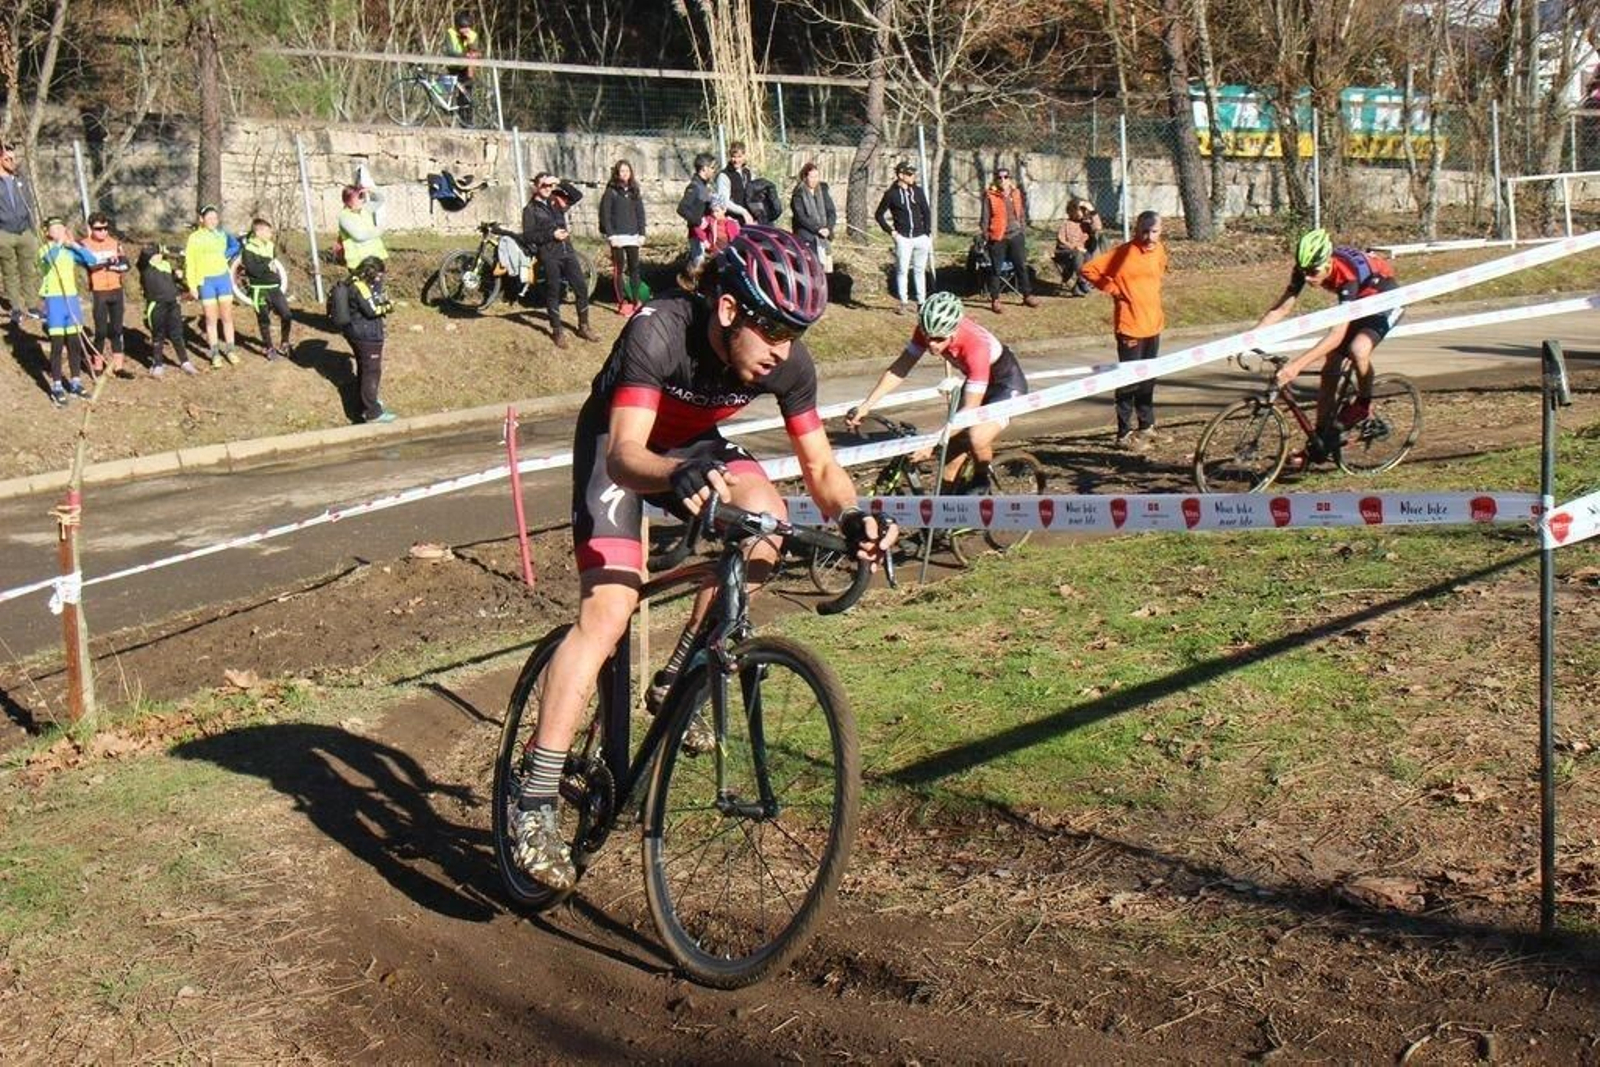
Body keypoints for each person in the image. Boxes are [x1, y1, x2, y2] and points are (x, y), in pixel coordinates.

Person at [508, 226, 894, 889]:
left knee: (769, 524)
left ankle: (687, 661)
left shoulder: (789, 363)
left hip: (694, 446)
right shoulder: (657, 330)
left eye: (795, 333)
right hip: (618, 447)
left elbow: (822, 466)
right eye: (772, 329)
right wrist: (672, 476)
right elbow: (628, 456)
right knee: (610, 609)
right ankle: (535, 802)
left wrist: (855, 515)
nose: (784, 351)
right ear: (727, 309)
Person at [846, 291, 1028, 492]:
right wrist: (866, 405)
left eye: (939, 339)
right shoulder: (928, 330)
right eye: (928, 337)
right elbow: (900, 368)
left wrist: (931, 443)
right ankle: (945, 512)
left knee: (976, 436)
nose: (932, 344)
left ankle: (981, 478)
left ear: (953, 332)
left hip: (1006, 385)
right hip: (978, 381)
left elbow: (970, 409)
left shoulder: (975, 346)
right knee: (948, 455)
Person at [1255, 228, 1401, 465]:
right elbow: (1282, 308)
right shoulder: (1305, 268)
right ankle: (1319, 442)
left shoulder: (1347, 277)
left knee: (1358, 349)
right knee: (1330, 370)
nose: (1309, 278)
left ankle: (1363, 404)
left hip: (1384, 298)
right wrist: (1249, 338)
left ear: (1327, 262)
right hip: (1359, 303)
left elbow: (1335, 335)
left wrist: (1296, 366)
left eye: (1314, 272)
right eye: (1304, 272)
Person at [1081, 210, 1170, 450]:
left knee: (1148, 378)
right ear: (1136, 229)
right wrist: (1114, 289)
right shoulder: (1123, 253)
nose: (1149, 237)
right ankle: (1123, 433)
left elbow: (1158, 274)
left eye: (1154, 231)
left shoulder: (1160, 250)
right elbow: (1089, 270)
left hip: (1153, 324)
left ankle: (1146, 425)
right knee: (1129, 380)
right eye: (1144, 231)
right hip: (1130, 327)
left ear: (1160, 231)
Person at [522, 171, 596, 349]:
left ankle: (583, 326)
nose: (547, 189)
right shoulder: (530, 209)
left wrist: (560, 182)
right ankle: (557, 331)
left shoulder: (556, 200)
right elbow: (528, 236)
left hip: (567, 251)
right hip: (549, 255)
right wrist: (551, 234)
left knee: (581, 288)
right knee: (553, 292)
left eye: (549, 185)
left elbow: (577, 196)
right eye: (543, 185)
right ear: (536, 187)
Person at [36, 217, 98, 405]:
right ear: (48, 233)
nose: (60, 230)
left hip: (71, 299)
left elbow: (91, 260)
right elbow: (49, 259)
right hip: (55, 300)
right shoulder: (45, 249)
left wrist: (75, 246)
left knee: (74, 343)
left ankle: (76, 382)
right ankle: (56, 386)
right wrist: (60, 242)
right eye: (55, 228)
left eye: (62, 227)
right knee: (57, 345)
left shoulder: (69, 251)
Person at [183, 205, 241, 368]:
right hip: (206, 281)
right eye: (209, 218)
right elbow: (190, 262)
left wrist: (226, 255)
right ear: (201, 220)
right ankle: (215, 352)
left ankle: (230, 350)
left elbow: (235, 246)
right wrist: (192, 286)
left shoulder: (222, 234)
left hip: (222, 279)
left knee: (227, 317)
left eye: (215, 218)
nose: (213, 221)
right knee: (210, 318)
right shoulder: (194, 238)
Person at [875, 160, 932, 316]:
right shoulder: (891, 194)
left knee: (920, 270)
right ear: (900, 175)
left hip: (921, 237)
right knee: (902, 270)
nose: (912, 176)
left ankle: (922, 302)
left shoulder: (918, 191)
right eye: (909, 174)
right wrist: (892, 232)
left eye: (913, 173)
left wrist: (927, 233)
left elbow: (926, 212)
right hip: (903, 238)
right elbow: (879, 215)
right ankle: (903, 302)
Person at [979, 166, 1039, 313]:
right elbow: (985, 218)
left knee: (1021, 267)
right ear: (995, 179)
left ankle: (1027, 295)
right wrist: (987, 236)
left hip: (1016, 235)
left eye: (1005, 177)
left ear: (1010, 178)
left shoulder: (1016, 193)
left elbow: (1021, 213)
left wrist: (1022, 230)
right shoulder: (990, 195)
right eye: (999, 177)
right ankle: (995, 300)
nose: (1003, 180)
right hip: (998, 237)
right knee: (996, 270)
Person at [346, 255, 395, 424]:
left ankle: (364, 404)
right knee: (372, 372)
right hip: (366, 335)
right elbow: (372, 310)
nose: (381, 278)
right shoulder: (361, 287)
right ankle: (373, 412)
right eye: (379, 274)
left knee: (364, 368)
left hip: (357, 332)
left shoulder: (354, 281)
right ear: (371, 272)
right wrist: (388, 306)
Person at [82, 212, 131, 376]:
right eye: (98, 229)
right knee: (101, 330)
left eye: (105, 228)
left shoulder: (114, 243)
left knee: (117, 329)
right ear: (91, 229)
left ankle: (119, 366)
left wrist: (113, 265)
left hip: (116, 289)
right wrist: (107, 263)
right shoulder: (85, 245)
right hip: (99, 291)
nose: (103, 232)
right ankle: (97, 365)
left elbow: (125, 264)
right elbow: (90, 265)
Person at [138, 244, 196, 377]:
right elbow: (145, 255)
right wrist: (164, 249)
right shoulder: (145, 266)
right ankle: (157, 364)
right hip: (156, 305)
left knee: (177, 333)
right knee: (158, 335)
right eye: (156, 254)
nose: (158, 256)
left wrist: (177, 276)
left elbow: (170, 280)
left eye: (159, 254)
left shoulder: (166, 265)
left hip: (173, 303)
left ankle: (185, 362)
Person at [599, 159, 647, 317]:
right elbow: (605, 215)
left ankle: (635, 300)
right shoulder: (610, 192)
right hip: (618, 236)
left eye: (627, 171)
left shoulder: (634, 191)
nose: (625, 174)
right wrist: (611, 235)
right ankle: (622, 303)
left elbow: (640, 213)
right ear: (617, 174)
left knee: (634, 269)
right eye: (622, 171)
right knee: (619, 270)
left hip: (633, 236)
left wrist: (642, 233)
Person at [240, 218, 293, 360]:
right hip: (259, 289)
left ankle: (285, 342)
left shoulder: (270, 246)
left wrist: (268, 267)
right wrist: (266, 263)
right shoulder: (248, 250)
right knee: (264, 319)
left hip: (274, 288)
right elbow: (253, 270)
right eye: (268, 231)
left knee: (287, 314)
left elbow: (272, 264)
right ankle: (269, 347)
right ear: (259, 232)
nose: (271, 234)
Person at [0, 143, 41, 324]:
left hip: (25, 231)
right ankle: (16, 308)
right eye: (8, 159)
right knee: (10, 271)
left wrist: (33, 229)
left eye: (14, 158)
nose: (13, 162)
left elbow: (29, 203)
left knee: (29, 270)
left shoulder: (20, 178)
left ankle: (32, 305)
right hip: (4, 233)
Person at [790, 162, 836, 270]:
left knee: (827, 268)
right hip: (807, 236)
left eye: (816, 176)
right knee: (813, 267)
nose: (815, 180)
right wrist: (817, 229)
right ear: (805, 177)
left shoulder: (823, 191)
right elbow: (801, 217)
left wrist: (828, 228)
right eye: (812, 177)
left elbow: (831, 212)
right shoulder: (798, 194)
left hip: (824, 237)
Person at [1053, 197, 1102, 297]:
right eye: (1081, 209)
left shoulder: (1087, 224)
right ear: (1073, 211)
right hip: (1065, 253)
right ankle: (1082, 280)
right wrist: (1075, 247)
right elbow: (1061, 242)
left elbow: (1098, 227)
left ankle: (1080, 284)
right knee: (1079, 254)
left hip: (1084, 254)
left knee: (1087, 254)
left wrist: (1092, 211)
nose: (1084, 212)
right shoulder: (1066, 224)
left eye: (1085, 210)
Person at [676, 152, 717, 264]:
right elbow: (681, 208)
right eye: (712, 168)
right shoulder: (694, 187)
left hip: (705, 234)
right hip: (697, 235)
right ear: (704, 169)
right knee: (698, 266)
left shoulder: (703, 186)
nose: (714, 171)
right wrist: (698, 221)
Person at [443, 10, 482, 126]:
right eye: (462, 28)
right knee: (446, 91)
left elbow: (474, 50)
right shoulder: (450, 33)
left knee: (466, 95)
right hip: (453, 67)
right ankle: (455, 118)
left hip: (466, 68)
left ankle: (468, 122)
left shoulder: (473, 35)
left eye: (467, 27)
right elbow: (450, 51)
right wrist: (464, 55)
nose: (464, 30)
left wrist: (468, 40)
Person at [337, 185, 386, 269]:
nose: (362, 200)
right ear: (348, 200)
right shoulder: (344, 216)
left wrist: (370, 190)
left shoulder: (365, 210)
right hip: (359, 261)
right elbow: (359, 236)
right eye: (359, 197)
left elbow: (380, 200)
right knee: (360, 282)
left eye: (362, 196)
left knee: (377, 282)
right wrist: (378, 231)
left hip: (374, 257)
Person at [690, 195, 741, 263]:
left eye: (717, 211)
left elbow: (737, 239)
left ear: (724, 210)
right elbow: (696, 227)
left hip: (730, 251)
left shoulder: (731, 223)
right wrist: (705, 241)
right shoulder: (710, 220)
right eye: (713, 211)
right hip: (715, 252)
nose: (714, 214)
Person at [715, 141, 755, 223]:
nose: (736, 160)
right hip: (733, 220)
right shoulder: (724, 176)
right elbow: (724, 202)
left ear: (744, 156)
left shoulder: (748, 173)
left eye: (739, 157)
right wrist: (743, 212)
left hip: (749, 218)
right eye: (733, 157)